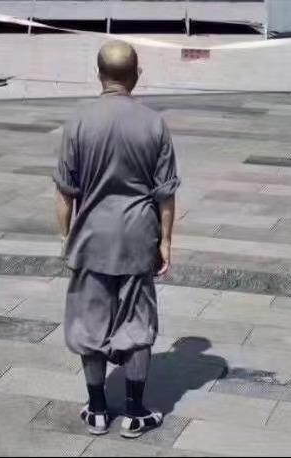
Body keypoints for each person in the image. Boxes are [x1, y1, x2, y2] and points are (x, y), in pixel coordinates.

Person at [53, 38, 179, 438]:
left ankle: (96, 409)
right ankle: (137, 410)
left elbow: (65, 192)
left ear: (99, 75)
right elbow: (166, 192)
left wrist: (65, 237)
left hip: (91, 236)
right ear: (136, 75)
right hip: (138, 235)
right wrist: (166, 241)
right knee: (137, 322)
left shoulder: (79, 122)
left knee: (90, 321)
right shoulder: (154, 123)